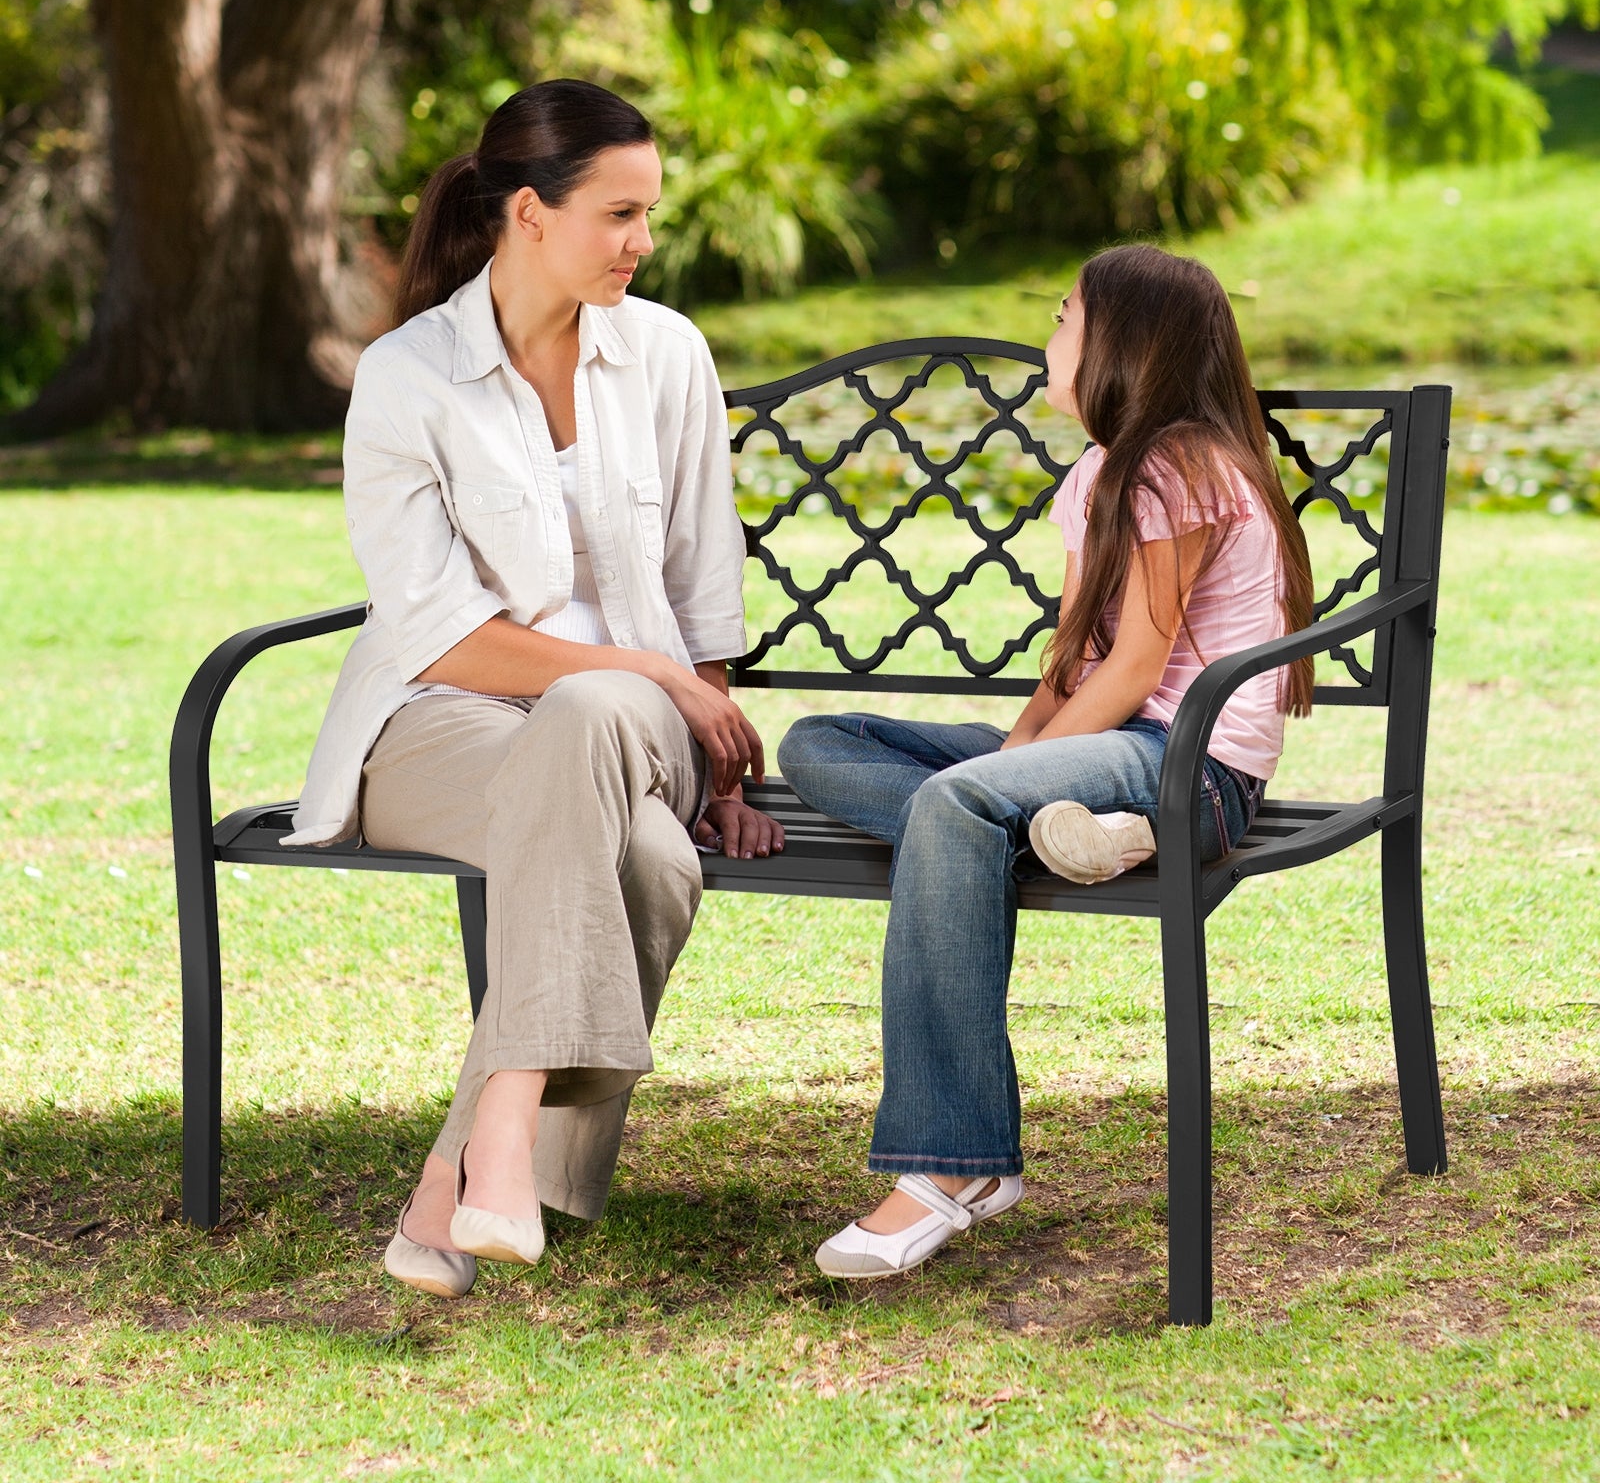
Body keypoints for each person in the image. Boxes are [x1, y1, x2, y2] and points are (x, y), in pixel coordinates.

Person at [281, 79, 783, 1298]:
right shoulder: (408, 377)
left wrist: (699, 738)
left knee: (601, 712)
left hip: (638, 733)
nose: (643, 243)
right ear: (529, 212)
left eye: (648, 214)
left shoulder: (667, 355)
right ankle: (461, 1186)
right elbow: (441, 636)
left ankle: (492, 1138)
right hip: (435, 730)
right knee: (649, 863)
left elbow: (703, 585)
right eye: (620, 214)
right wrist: (653, 671)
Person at [776, 244, 1314, 1279]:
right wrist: (1021, 754)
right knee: (818, 744)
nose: (1049, 332)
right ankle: (1039, 833)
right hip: (1102, 764)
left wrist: (1003, 776)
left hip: (1185, 767)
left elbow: (1136, 668)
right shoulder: (1103, 469)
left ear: (1122, 342)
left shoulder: (1182, 465)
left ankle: (952, 1165)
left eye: (1065, 314)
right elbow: (1074, 658)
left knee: (952, 807)